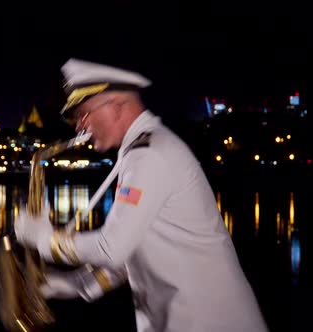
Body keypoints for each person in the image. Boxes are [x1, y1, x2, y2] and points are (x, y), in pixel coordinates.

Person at [15, 58, 268, 332]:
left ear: (116, 105)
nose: (79, 126)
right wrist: (77, 284)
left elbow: (111, 249)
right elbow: (132, 254)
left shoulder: (149, 155)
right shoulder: (140, 152)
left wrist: (44, 239)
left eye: (84, 113)